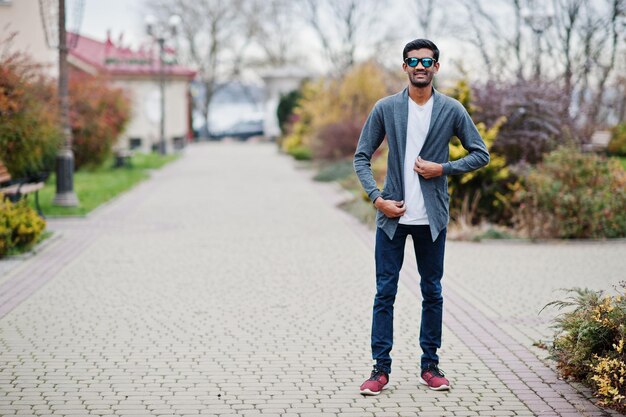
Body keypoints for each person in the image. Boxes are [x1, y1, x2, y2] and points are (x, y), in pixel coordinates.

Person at [354, 38, 489, 395]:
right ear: (404, 67)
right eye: (413, 61)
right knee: (385, 293)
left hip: (432, 221)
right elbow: (361, 156)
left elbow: (481, 154)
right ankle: (380, 370)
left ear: (436, 68)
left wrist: (441, 168)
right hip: (392, 218)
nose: (419, 67)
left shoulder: (451, 109)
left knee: (432, 292)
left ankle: (430, 366)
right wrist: (377, 198)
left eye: (426, 62)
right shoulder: (386, 108)